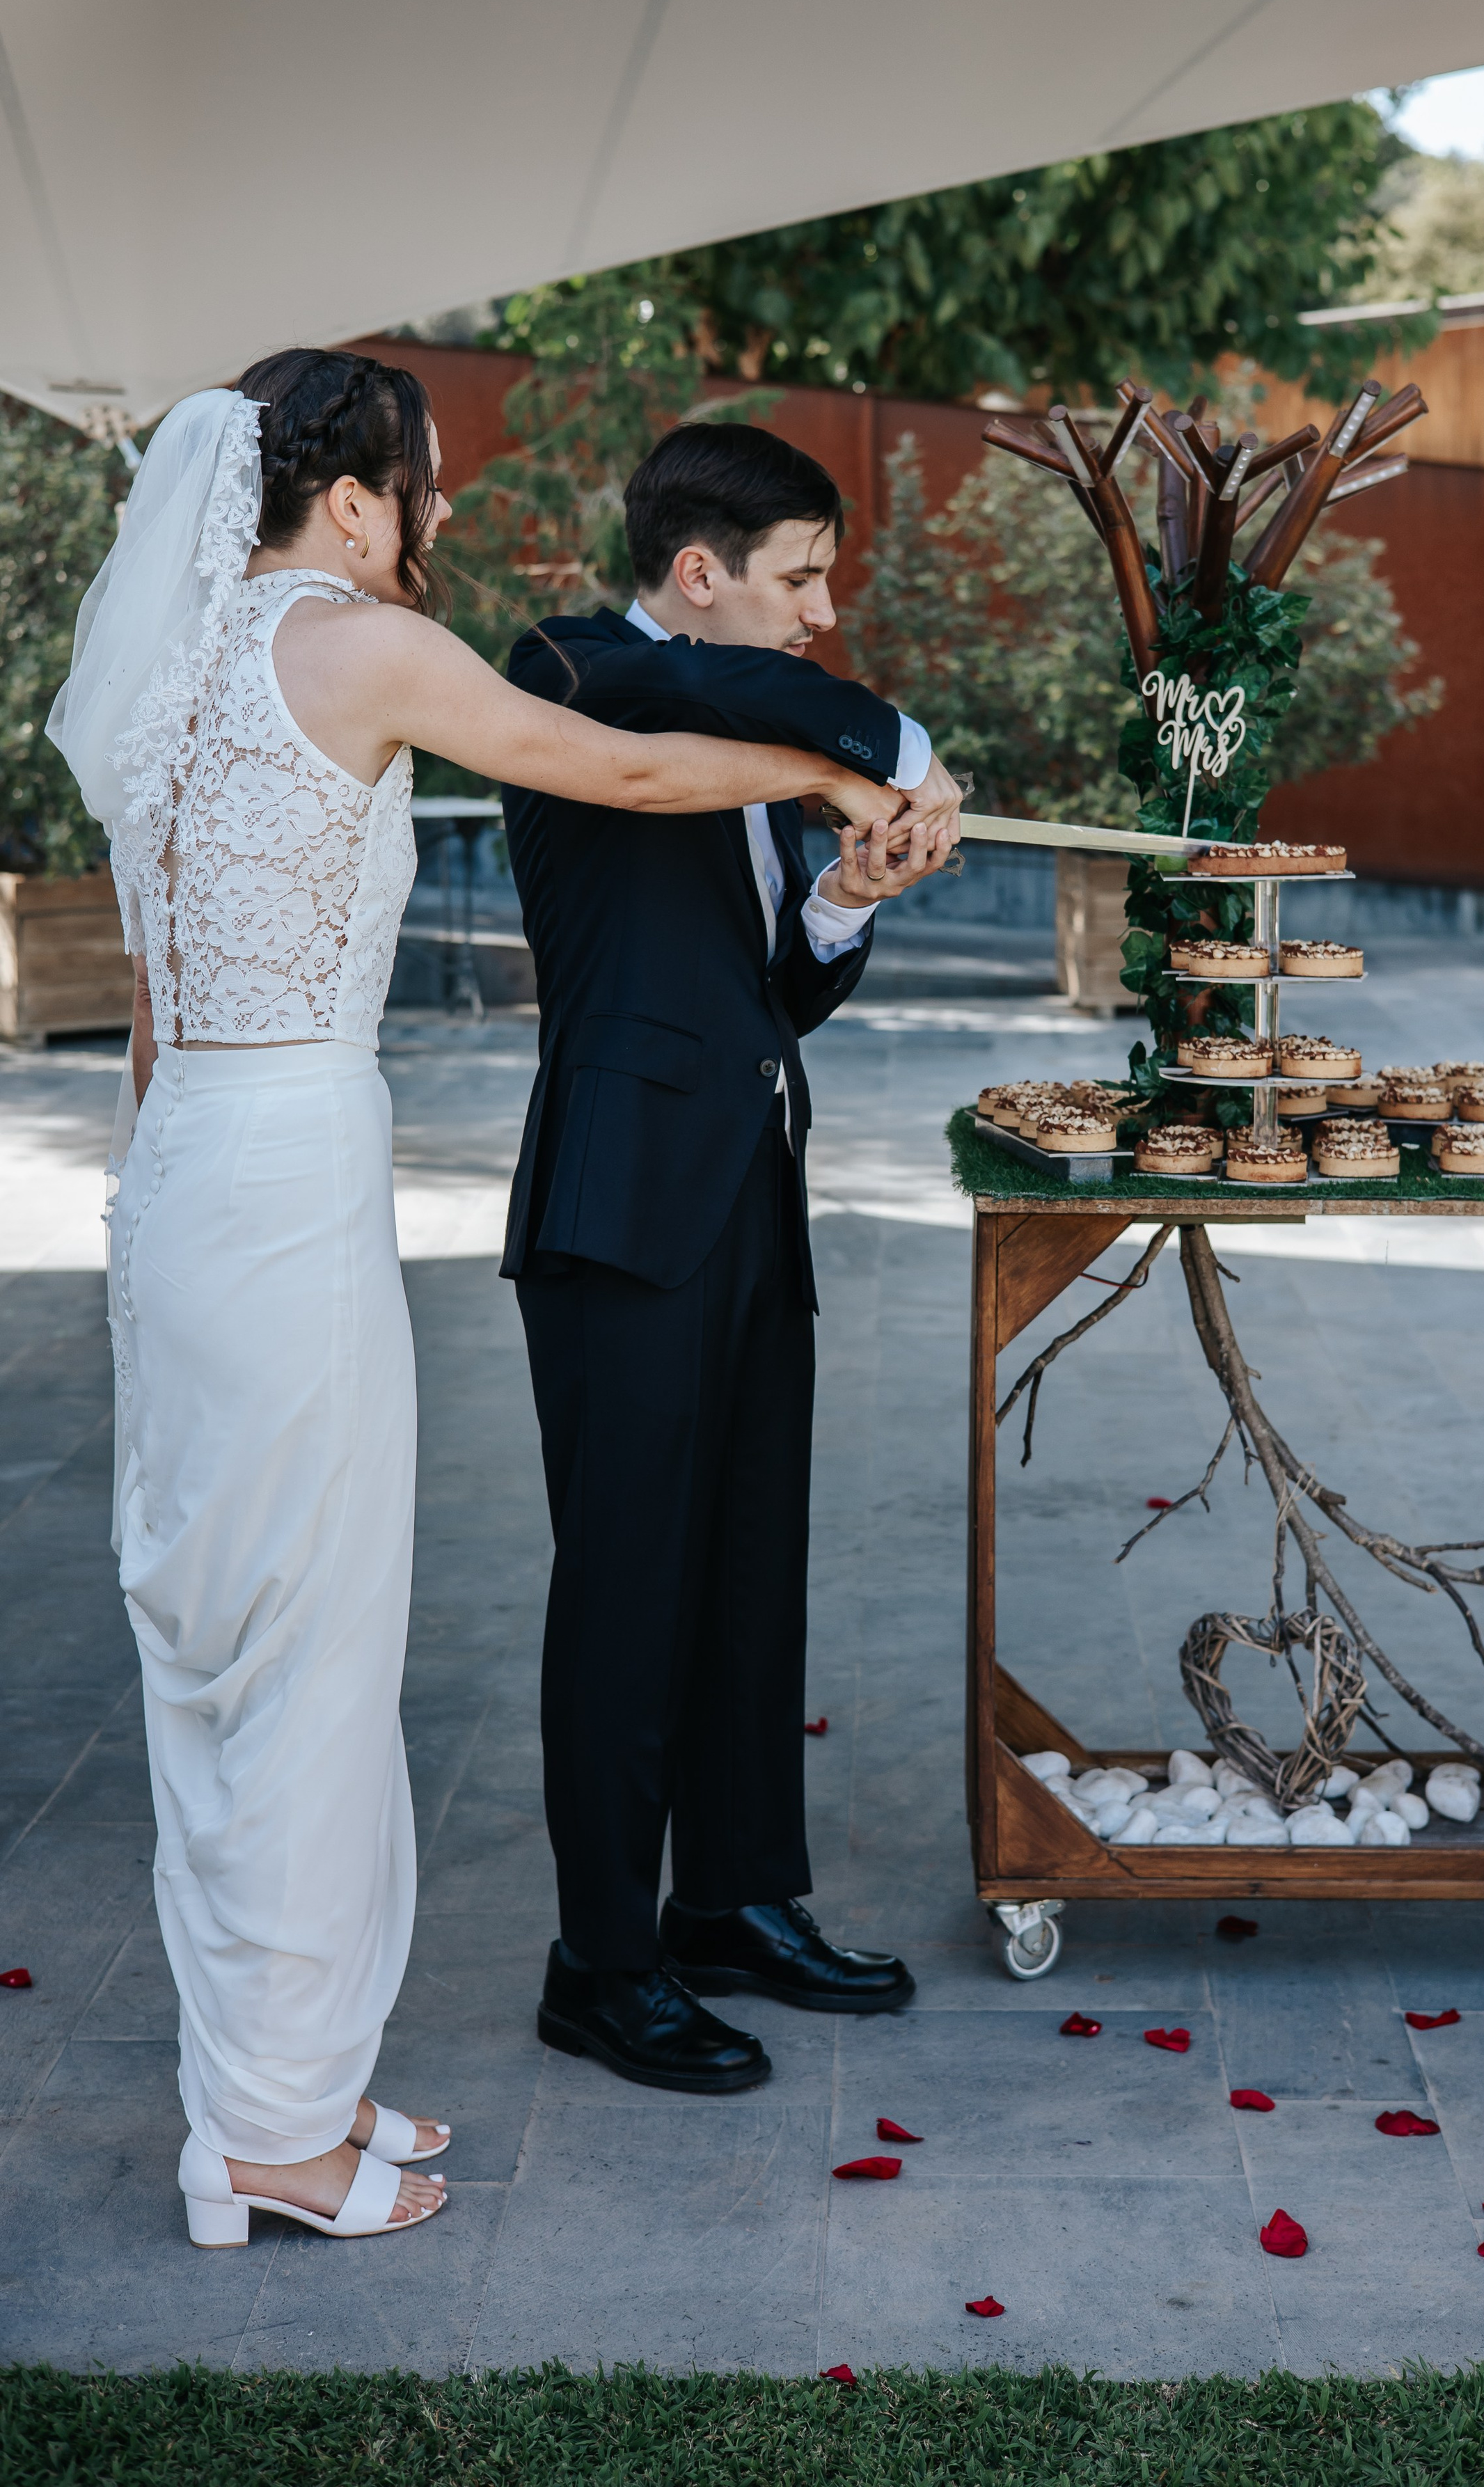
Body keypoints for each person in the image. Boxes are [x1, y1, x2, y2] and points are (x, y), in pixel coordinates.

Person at [49, 354, 903, 2247]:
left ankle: (272, 2097)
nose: (434, 525)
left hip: (181, 1179)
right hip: (282, 1184)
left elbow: (155, 1011)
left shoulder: (166, 681)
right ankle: (272, 2142)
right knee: (313, 1653)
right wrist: (841, 767)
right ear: (346, 502)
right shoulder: (353, 646)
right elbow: (610, 762)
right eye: (419, 493)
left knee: (217, 1639)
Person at [501, 422, 961, 2096]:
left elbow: (770, 984)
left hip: (753, 1193)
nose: (822, 613)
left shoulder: (736, 731)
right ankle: (599, 1963)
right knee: (624, 1595)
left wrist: (842, 893)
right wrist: (892, 745)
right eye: (798, 579)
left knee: (749, 1572)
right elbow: (715, 704)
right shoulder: (570, 670)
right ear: (696, 573)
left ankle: (734, 1905)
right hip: (617, 1212)